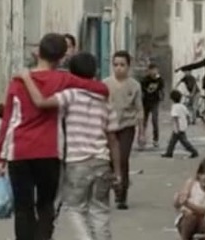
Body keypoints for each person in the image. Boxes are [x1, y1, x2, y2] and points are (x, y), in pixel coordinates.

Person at [0, 33, 109, 240]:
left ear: (38, 52)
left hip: (19, 151)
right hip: (49, 151)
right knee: (46, 205)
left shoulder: (18, 83)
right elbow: (99, 88)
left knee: (23, 207)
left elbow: (8, 120)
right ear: (63, 58)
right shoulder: (64, 80)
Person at [19, 52, 122, 240]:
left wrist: (27, 78)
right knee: (100, 211)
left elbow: (41, 102)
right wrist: (118, 172)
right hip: (102, 162)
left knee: (75, 209)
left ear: (71, 74)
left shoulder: (70, 95)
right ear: (96, 71)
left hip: (77, 163)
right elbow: (113, 139)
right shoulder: (105, 101)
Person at [103, 50, 144, 210]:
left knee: (123, 158)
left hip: (127, 126)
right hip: (109, 127)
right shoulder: (105, 84)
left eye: (122, 65)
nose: (119, 68)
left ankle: (122, 195)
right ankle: (114, 186)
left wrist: (141, 132)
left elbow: (139, 109)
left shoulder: (134, 86)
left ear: (128, 66)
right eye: (116, 65)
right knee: (110, 161)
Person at [174, 158, 205, 240]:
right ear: (199, 175)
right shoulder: (191, 184)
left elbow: (203, 210)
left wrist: (187, 204)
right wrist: (178, 200)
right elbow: (178, 204)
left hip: (203, 222)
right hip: (187, 221)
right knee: (190, 217)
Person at [161, 90, 199, 158]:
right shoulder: (182, 106)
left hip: (177, 128)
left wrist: (177, 128)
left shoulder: (174, 107)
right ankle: (169, 152)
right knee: (172, 141)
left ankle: (194, 151)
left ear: (172, 99)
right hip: (183, 126)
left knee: (184, 142)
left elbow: (175, 117)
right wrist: (188, 122)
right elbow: (187, 115)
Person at [141, 63, 164, 147]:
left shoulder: (159, 79)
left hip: (155, 102)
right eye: (152, 70)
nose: (154, 72)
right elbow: (142, 91)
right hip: (145, 102)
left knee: (154, 120)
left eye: (155, 70)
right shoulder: (145, 80)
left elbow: (161, 89)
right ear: (149, 71)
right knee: (144, 121)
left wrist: (162, 97)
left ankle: (155, 139)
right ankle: (142, 138)